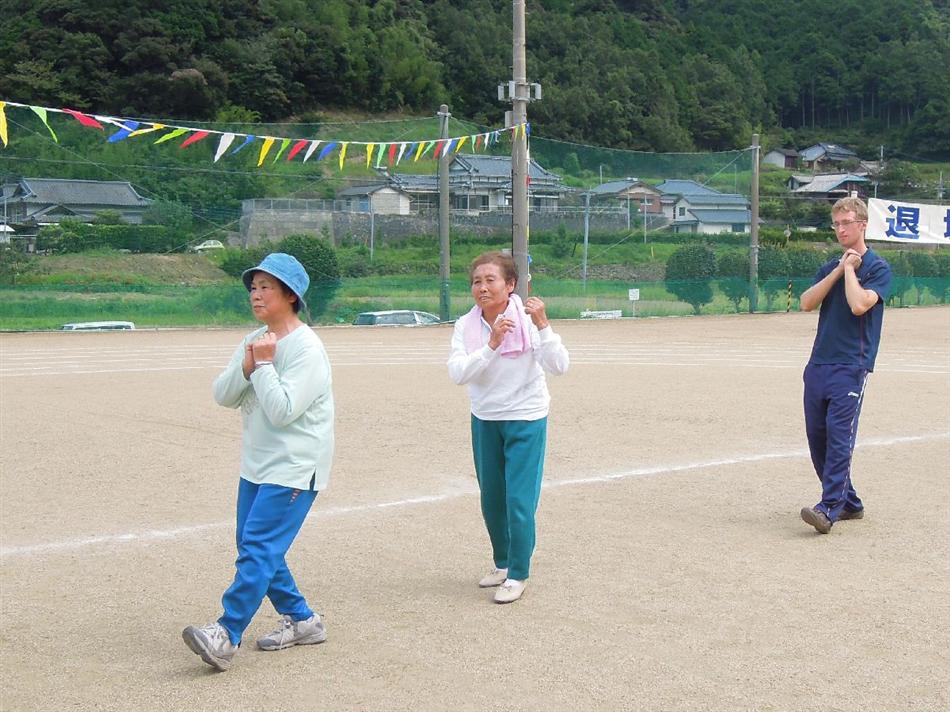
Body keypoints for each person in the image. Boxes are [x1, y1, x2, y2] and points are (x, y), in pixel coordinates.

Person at [182, 252, 334, 671]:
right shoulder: (254, 339)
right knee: (256, 547)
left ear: (291, 295)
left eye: (267, 287)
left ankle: (226, 632)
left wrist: (264, 366)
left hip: (295, 466)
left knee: (259, 549)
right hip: (258, 465)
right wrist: (249, 365)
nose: (256, 294)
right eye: (254, 286)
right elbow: (223, 395)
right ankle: (303, 620)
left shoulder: (307, 348)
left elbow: (283, 410)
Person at [448, 251, 569, 603]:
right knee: (492, 499)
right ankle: (502, 563)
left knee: (518, 499)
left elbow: (560, 366)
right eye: (476, 281)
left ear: (511, 285)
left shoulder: (529, 320)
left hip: (526, 416)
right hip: (486, 417)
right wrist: (491, 345)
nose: (482, 287)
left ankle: (518, 572)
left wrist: (544, 325)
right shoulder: (465, 325)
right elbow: (458, 373)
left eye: (490, 280)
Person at [798, 197, 891, 534]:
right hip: (819, 363)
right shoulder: (830, 267)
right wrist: (839, 268)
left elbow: (859, 305)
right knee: (817, 436)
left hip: (852, 365)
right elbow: (807, 302)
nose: (840, 229)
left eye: (847, 223)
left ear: (862, 225)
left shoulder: (878, 268)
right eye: (836, 224)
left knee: (839, 437)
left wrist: (851, 270)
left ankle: (829, 507)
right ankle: (849, 502)